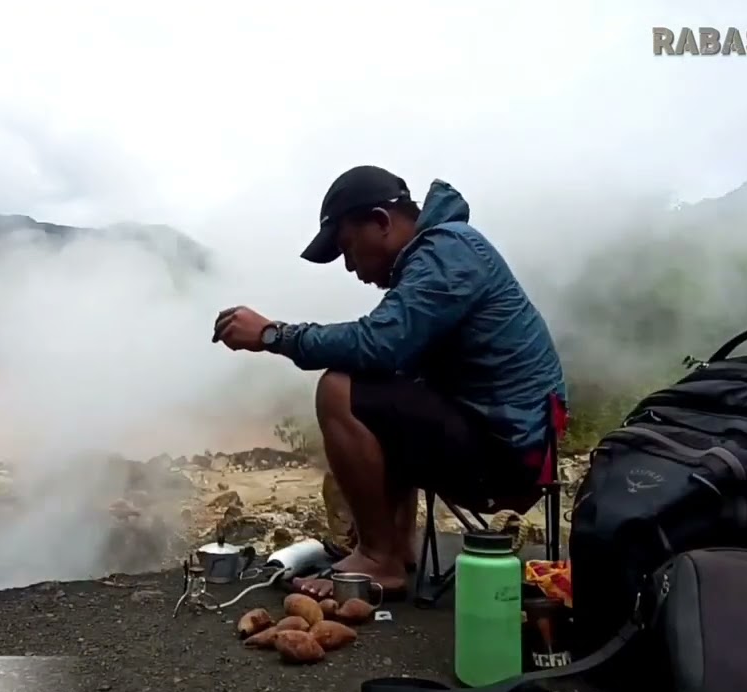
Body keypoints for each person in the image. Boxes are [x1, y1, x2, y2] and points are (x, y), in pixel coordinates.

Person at [212, 165, 567, 600]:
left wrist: (273, 335)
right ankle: (395, 550)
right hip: (508, 448)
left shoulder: (447, 253)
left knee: (340, 387)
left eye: (347, 247)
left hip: (509, 459)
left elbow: (377, 343)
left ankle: (379, 559)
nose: (348, 265)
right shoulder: (440, 256)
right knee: (384, 384)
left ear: (381, 221)